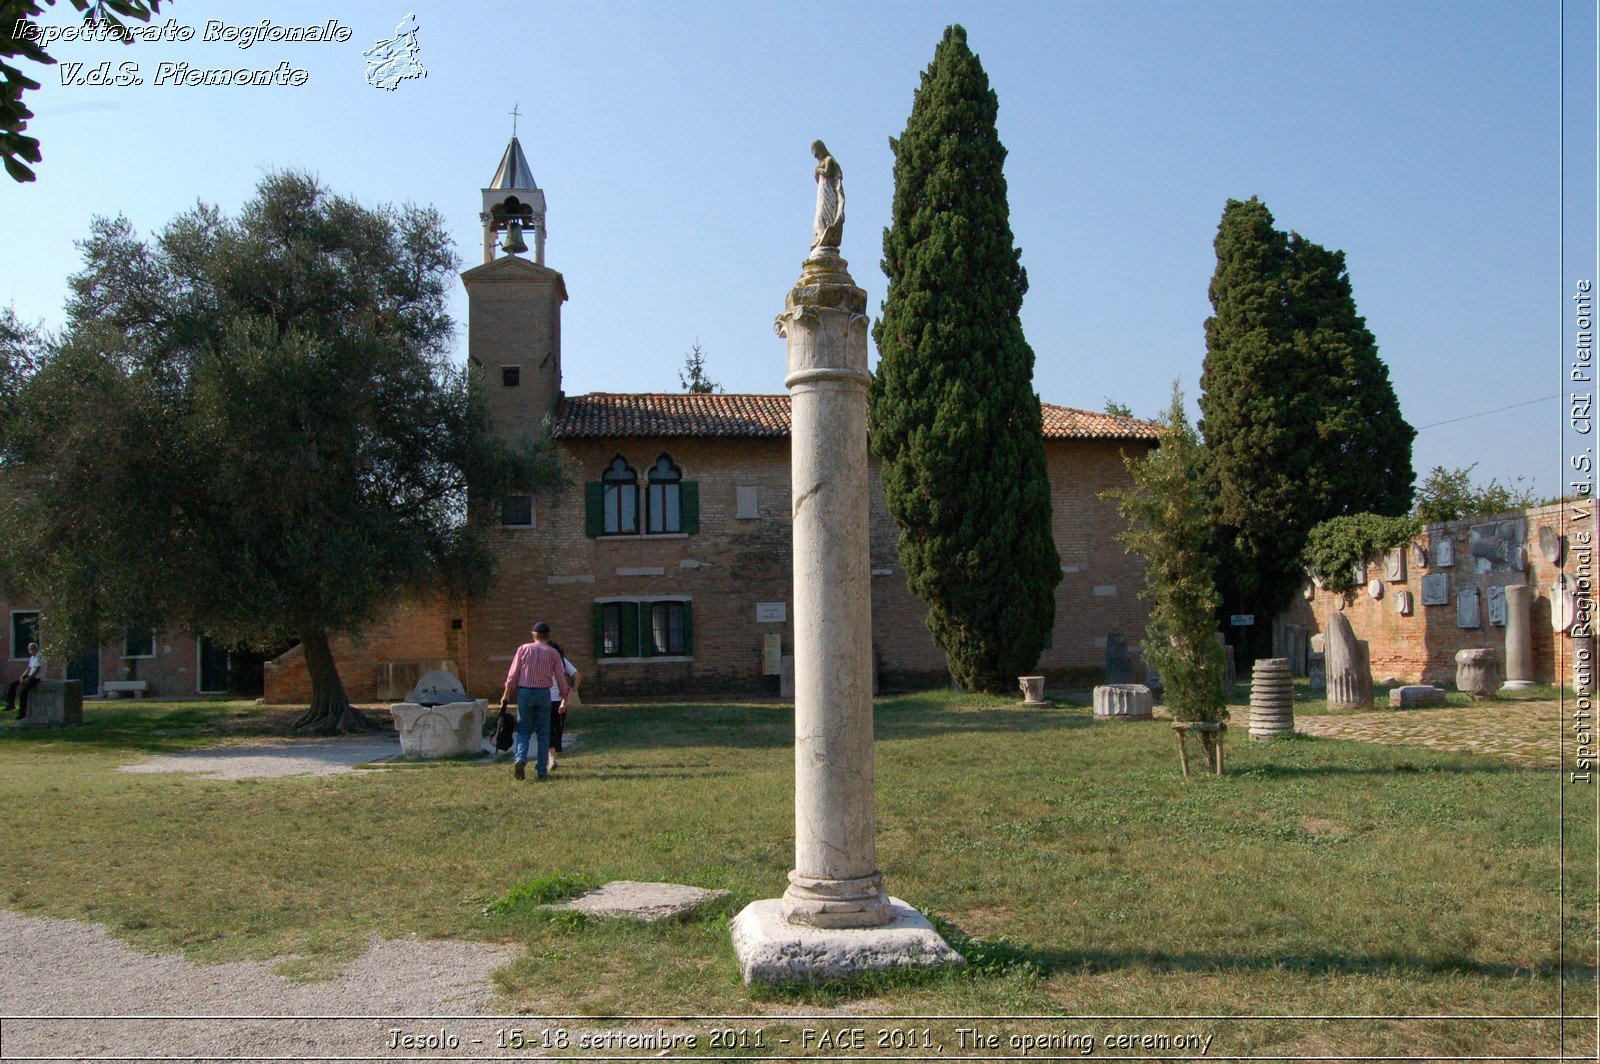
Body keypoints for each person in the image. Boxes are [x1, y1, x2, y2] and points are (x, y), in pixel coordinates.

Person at [498, 621, 569, 780]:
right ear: (548, 637)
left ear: (534, 635)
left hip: (525, 693)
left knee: (524, 730)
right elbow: (560, 677)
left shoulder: (523, 649)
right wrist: (565, 697)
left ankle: (520, 759)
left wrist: (506, 693)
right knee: (544, 733)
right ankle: (541, 770)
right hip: (544, 694)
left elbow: (513, 674)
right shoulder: (553, 653)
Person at [544, 640, 581, 772]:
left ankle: (551, 757)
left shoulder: (543, 663)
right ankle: (553, 756)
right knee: (558, 728)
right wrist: (573, 690)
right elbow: (577, 676)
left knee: (547, 729)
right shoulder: (563, 661)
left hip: (546, 699)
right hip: (562, 700)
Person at [6, 642, 42, 720]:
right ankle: (10, 704)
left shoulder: (39, 656)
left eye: (30, 650)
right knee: (13, 684)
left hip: (36, 678)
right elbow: (29, 668)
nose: (29, 652)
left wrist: (27, 679)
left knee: (23, 692)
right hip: (30, 676)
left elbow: (37, 670)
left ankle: (22, 713)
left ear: (34, 649)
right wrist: (22, 677)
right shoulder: (32, 657)